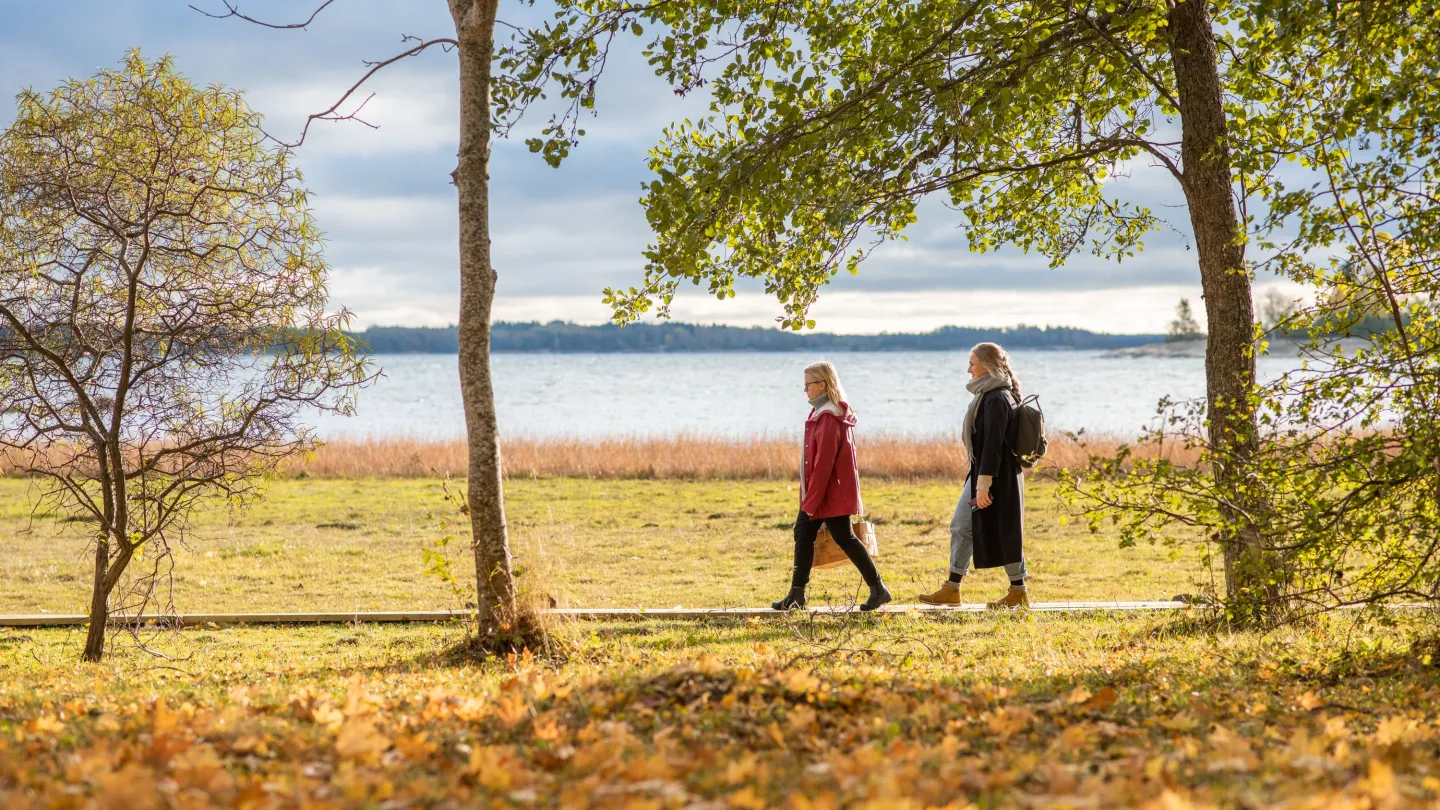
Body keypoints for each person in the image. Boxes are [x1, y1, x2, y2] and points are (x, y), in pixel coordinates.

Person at [772, 361, 891, 612]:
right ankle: (799, 594)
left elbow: (823, 464)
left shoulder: (828, 416)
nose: (805, 390)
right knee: (826, 536)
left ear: (823, 384)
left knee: (814, 535)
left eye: (808, 385)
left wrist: (811, 502)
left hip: (827, 493)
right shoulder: (823, 413)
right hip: (827, 492)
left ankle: (799, 595)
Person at [919, 343, 1029, 609]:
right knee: (965, 527)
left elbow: (992, 445)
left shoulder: (996, 398)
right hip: (991, 476)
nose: (968, 369)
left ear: (988, 366)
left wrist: (983, 486)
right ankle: (954, 588)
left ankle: (1017, 591)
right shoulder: (993, 394)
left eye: (972, 363)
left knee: (1002, 532)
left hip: (993, 478)